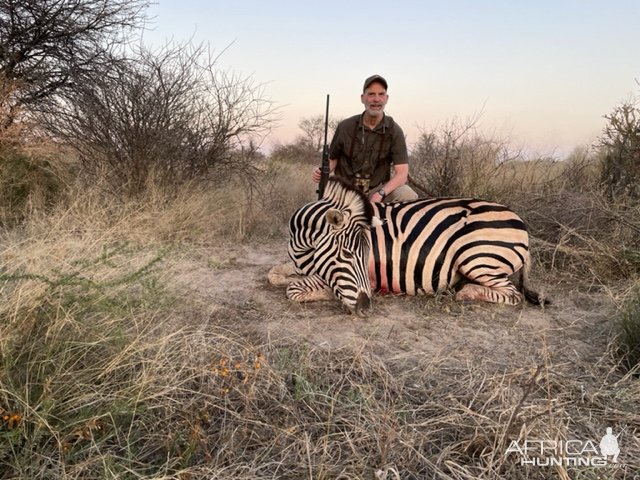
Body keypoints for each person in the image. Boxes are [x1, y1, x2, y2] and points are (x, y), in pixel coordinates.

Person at [313, 74, 418, 203]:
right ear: (363, 98)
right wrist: (321, 171)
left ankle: (388, 222)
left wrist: (380, 193)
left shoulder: (394, 130)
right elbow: (332, 160)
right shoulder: (345, 126)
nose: (376, 99)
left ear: (386, 98)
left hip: (376, 193)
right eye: (371, 94)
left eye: (381, 94)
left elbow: (402, 174)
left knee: (407, 195)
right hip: (345, 192)